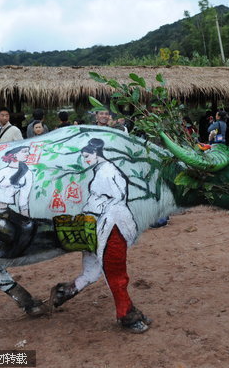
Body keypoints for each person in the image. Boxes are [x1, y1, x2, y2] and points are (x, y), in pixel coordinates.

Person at [80, 138, 144, 330]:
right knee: (111, 267)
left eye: (86, 156)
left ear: (96, 154)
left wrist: (93, 206)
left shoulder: (106, 172)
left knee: (113, 268)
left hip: (112, 222)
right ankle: (128, 311)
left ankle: (126, 315)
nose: (85, 160)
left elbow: (116, 197)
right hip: (107, 220)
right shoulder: (102, 169)